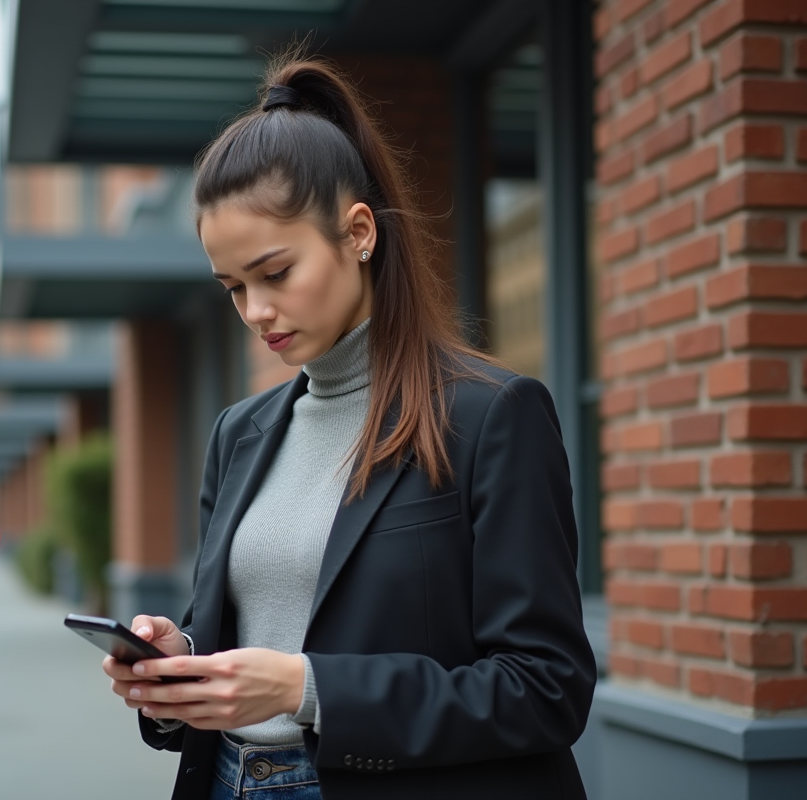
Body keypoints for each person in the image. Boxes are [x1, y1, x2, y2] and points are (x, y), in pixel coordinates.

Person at [101, 52, 596, 800]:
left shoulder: (491, 414)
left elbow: (546, 687)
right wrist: (183, 663)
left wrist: (305, 688)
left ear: (358, 232)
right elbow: (247, 638)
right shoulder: (240, 432)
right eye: (233, 287)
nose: (255, 312)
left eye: (275, 273)